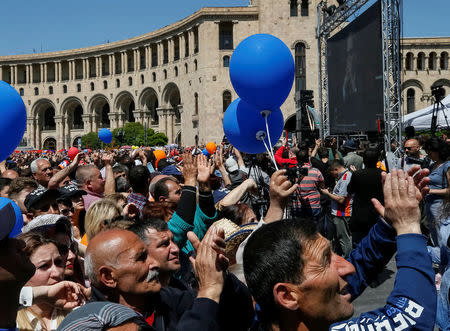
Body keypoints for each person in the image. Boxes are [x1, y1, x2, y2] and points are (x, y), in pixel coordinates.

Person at [243, 169, 436, 331]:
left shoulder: (270, 312)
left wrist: (390, 224)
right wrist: (408, 227)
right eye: (325, 261)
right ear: (287, 296)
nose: (348, 268)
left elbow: (358, 267)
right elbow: (410, 315)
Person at [84, 227, 254, 330]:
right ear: (108, 277)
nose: (154, 263)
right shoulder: (94, 324)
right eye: (141, 258)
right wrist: (208, 290)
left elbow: (238, 317)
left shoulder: (166, 298)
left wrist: (221, 278)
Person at [15, 232, 71, 330]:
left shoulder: (77, 312)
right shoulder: (9, 320)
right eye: (44, 266)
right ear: (21, 274)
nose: (57, 273)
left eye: (58, 262)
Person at [347, 148, 384, 246]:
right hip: (377, 214)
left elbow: (349, 190)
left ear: (363, 160)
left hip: (360, 215)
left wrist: (354, 174)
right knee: (376, 246)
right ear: (378, 160)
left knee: (359, 246)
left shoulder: (357, 174)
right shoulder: (383, 174)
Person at [321, 159, 353, 257]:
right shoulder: (344, 176)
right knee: (340, 238)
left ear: (335, 169)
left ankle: (347, 259)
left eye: (332, 173)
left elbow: (341, 199)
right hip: (339, 212)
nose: (332, 175)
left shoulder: (345, 178)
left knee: (343, 239)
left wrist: (328, 194)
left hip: (342, 213)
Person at [423, 137, 450, 248]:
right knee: (435, 236)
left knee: (442, 236)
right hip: (430, 205)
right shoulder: (432, 165)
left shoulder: (447, 166)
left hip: (441, 206)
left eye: (430, 151)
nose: (428, 154)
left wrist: (430, 190)